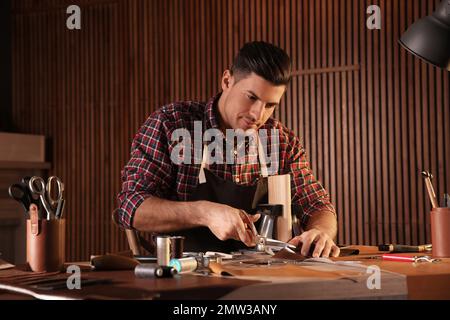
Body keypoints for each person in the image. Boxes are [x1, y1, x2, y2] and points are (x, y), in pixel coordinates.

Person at [117, 41, 340, 257]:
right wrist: (205, 212)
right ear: (226, 81)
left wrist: (321, 232)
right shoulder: (172, 124)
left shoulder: (281, 141)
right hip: (185, 278)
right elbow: (131, 207)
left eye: (270, 105)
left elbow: (318, 205)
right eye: (251, 97)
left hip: (262, 280)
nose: (258, 115)